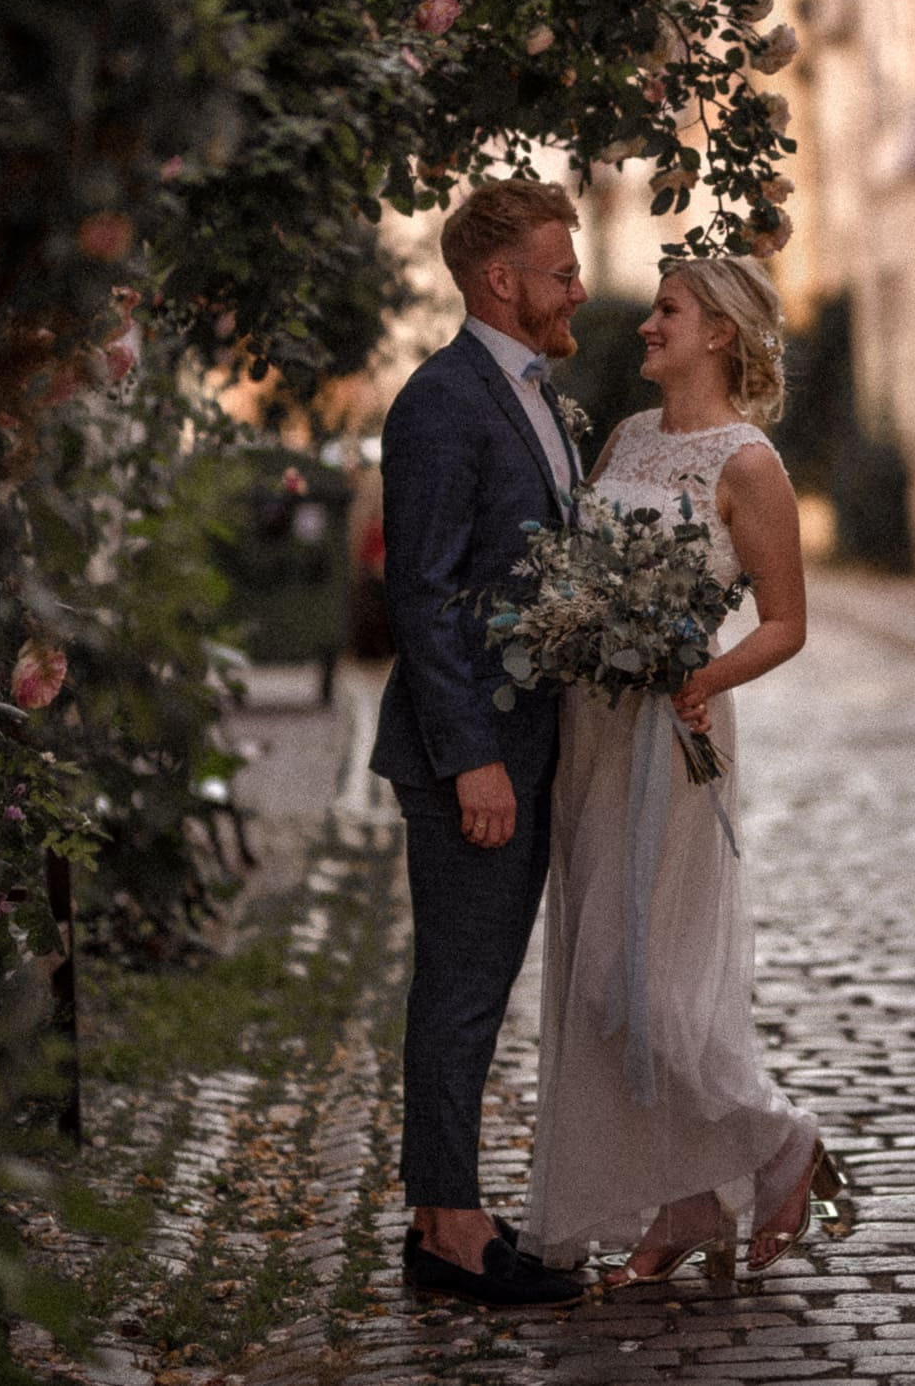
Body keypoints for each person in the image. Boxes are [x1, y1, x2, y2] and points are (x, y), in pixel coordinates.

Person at [524, 255, 853, 1293]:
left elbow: (788, 622)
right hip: (593, 731)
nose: (648, 324)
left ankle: (780, 1141)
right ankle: (684, 1201)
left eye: (668, 310)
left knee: (648, 986)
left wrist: (697, 673)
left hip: (674, 730)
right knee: (595, 981)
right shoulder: (623, 438)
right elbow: (582, 575)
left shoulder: (748, 464)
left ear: (719, 333)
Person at [368, 178, 589, 1308]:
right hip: (473, 757)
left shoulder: (531, 396)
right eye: (561, 271)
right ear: (499, 281)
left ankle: (440, 1202)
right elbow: (424, 594)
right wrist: (473, 759)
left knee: (480, 984)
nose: (580, 288)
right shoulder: (443, 403)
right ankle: (448, 1230)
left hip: (527, 745)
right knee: (460, 989)